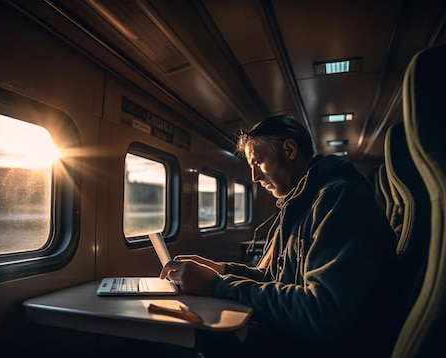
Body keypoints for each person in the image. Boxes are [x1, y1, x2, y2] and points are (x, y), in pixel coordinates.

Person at [160, 114, 399, 357]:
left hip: (319, 348)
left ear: (289, 150)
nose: (255, 177)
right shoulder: (299, 203)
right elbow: (274, 278)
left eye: (258, 162)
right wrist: (220, 270)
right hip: (293, 337)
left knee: (179, 345)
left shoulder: (340, 200)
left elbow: (322, 313)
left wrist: (216, 285)